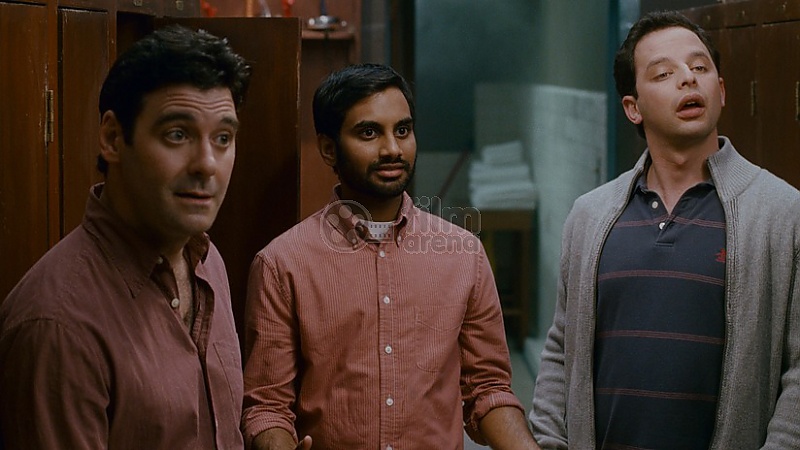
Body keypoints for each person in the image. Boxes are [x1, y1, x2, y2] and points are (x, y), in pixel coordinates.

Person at [530, 10, 800, 450]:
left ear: (722, 90)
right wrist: (548, 441)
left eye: (699, 68)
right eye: (663, 74)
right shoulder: (590, 215)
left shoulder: (781, 212)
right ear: (633, 108)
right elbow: (562, 349)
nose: (688, 79)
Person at [241, 63, 540, 450]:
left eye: (402, 130)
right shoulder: (283, 264)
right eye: (369, 132)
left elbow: (488, 390)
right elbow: (267, 407)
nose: (393, 149)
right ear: (329, 148)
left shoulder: (464, 255)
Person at [0, 25, 251, 449]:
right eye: (177, 134)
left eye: (223, 138)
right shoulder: (58, 323)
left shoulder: (206, 260)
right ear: (113, 138)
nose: (207, 164)